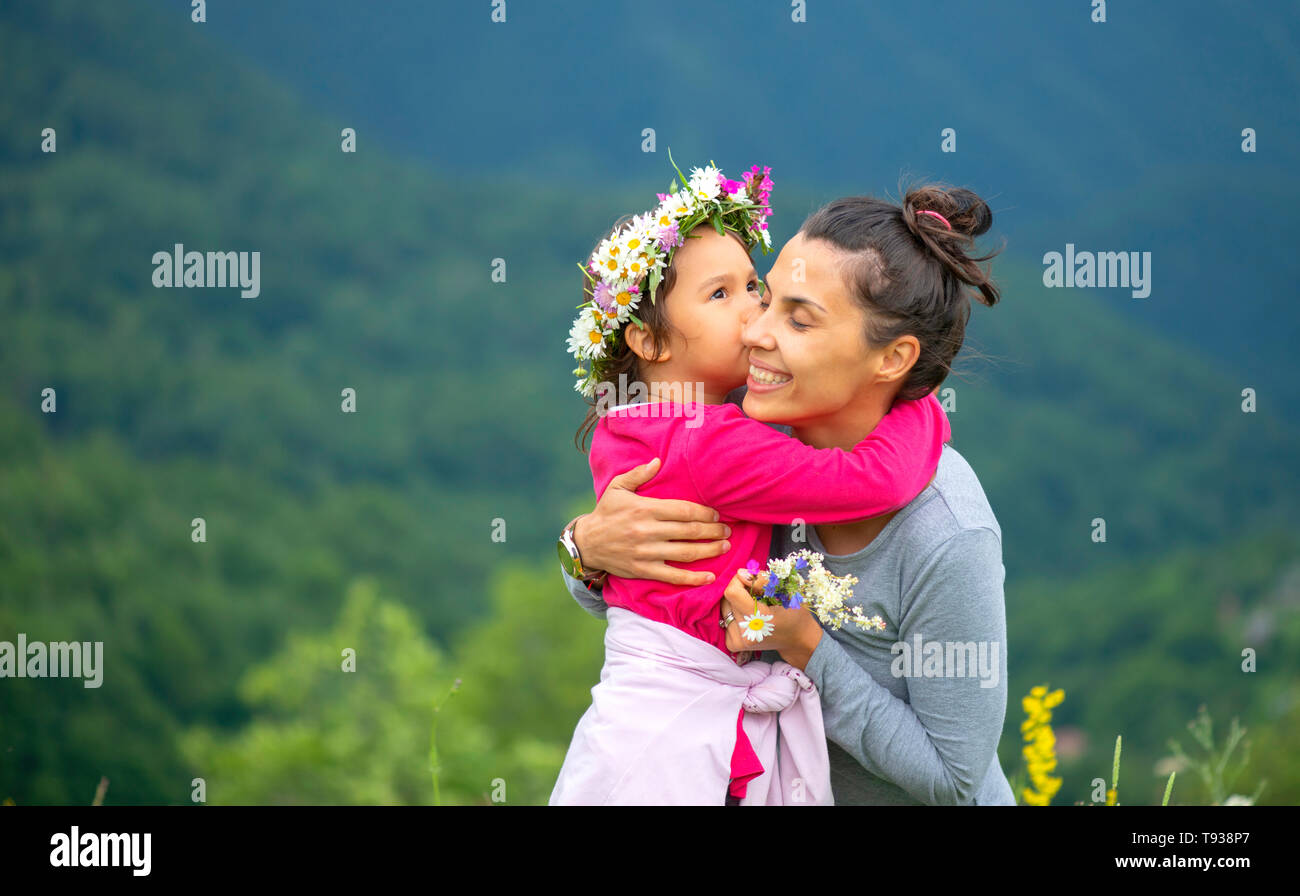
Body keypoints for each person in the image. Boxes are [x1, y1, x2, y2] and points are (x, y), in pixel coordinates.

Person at [559, 184, 1016, 805]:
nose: (754, 331)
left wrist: (806, 650)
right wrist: (586, 547)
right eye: (763, 299)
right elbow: (653, 604)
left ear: (894, 358)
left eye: (797, 318)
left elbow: (956, 779)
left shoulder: (946, 534)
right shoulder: (750, 447)